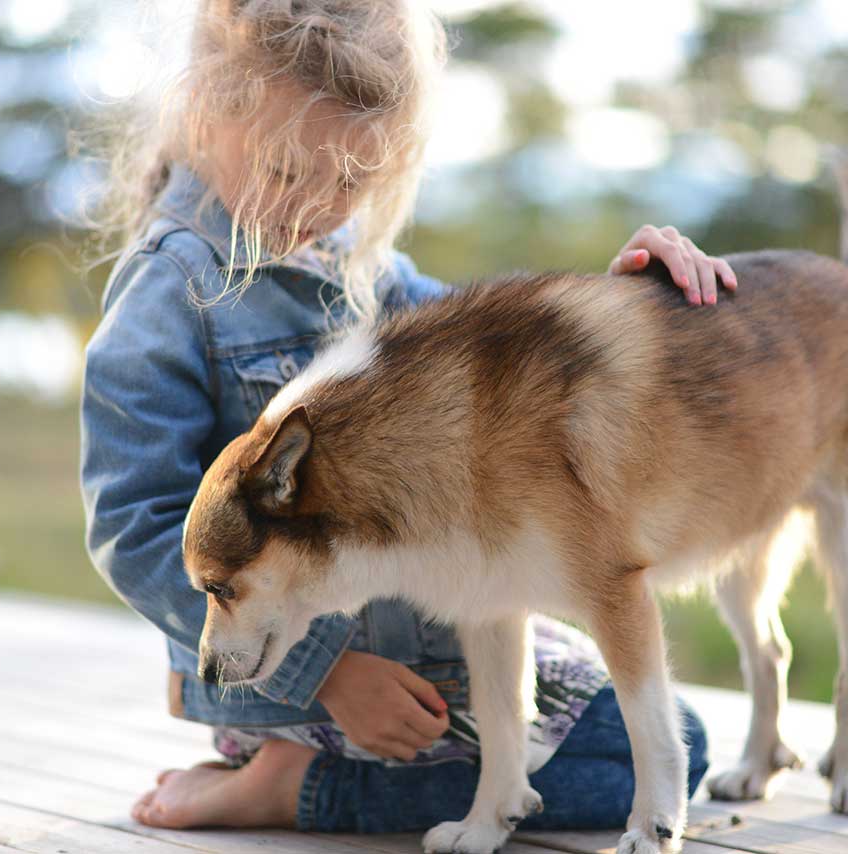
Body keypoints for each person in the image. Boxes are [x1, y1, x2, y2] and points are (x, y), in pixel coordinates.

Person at [80, 0, 736, 835]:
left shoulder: (359, 266)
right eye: (288, 170)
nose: (317, 206)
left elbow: (504, 370)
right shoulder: (167, 296)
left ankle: (323, 773)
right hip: (287, 681)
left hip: (426, 644)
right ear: (209, 112)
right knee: (629, 757)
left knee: (674, 737)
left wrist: (615, 306)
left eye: (351, 181)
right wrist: (328, 674)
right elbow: (131, 527)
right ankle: (296, 786)